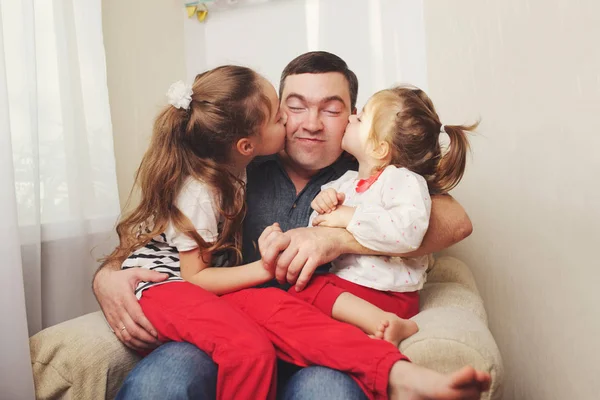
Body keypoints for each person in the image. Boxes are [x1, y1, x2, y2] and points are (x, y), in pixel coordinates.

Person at [94, 52, 488, 400]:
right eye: (295, 107)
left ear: (354, 117)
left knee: (325, 392)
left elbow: (456, 222)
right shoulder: (234, 167)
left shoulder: (371, 173)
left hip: (323, 338)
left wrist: (333, 238)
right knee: (163, 381)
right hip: (234, 330)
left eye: (332, 110)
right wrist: (107, 277)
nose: (311, 123)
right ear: (273, 115)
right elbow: (156, 236)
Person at [105, 65, 286, 400]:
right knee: (249, 351)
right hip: (161, 285)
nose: (287, 119)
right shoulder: (201, 191)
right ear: (245, 145)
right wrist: (264, 268)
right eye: (278, 117)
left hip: (179, 286)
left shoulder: (235, 167)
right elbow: (195, 276)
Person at [285, 85, 477, 347]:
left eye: (360, 118)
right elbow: (317, 233)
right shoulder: (346, 183)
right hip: (351, 287)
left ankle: (383, 321)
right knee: (295, 303)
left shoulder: (403, 181)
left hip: (388, 292)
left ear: (379, 149)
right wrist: (323, 206)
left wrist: (349, 217)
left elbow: (408, 233)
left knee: (304, 293)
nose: (351, 118)